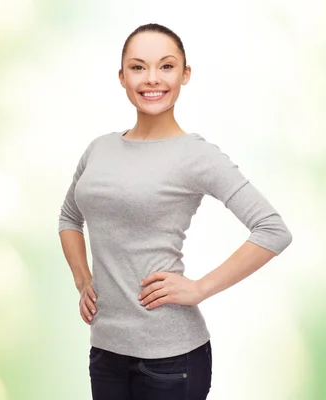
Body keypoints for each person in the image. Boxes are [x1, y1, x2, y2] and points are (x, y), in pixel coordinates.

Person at [57, 23, 293, 400]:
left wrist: (200, 288)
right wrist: (82, 278)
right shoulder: (99, 149)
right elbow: (70, 218)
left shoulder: (195, 155)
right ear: (121, 77)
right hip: (105, 350)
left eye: (166, 66)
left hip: (171, 361)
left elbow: (272, 230)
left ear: (185, 75)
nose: (152, 79)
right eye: (138, 67)